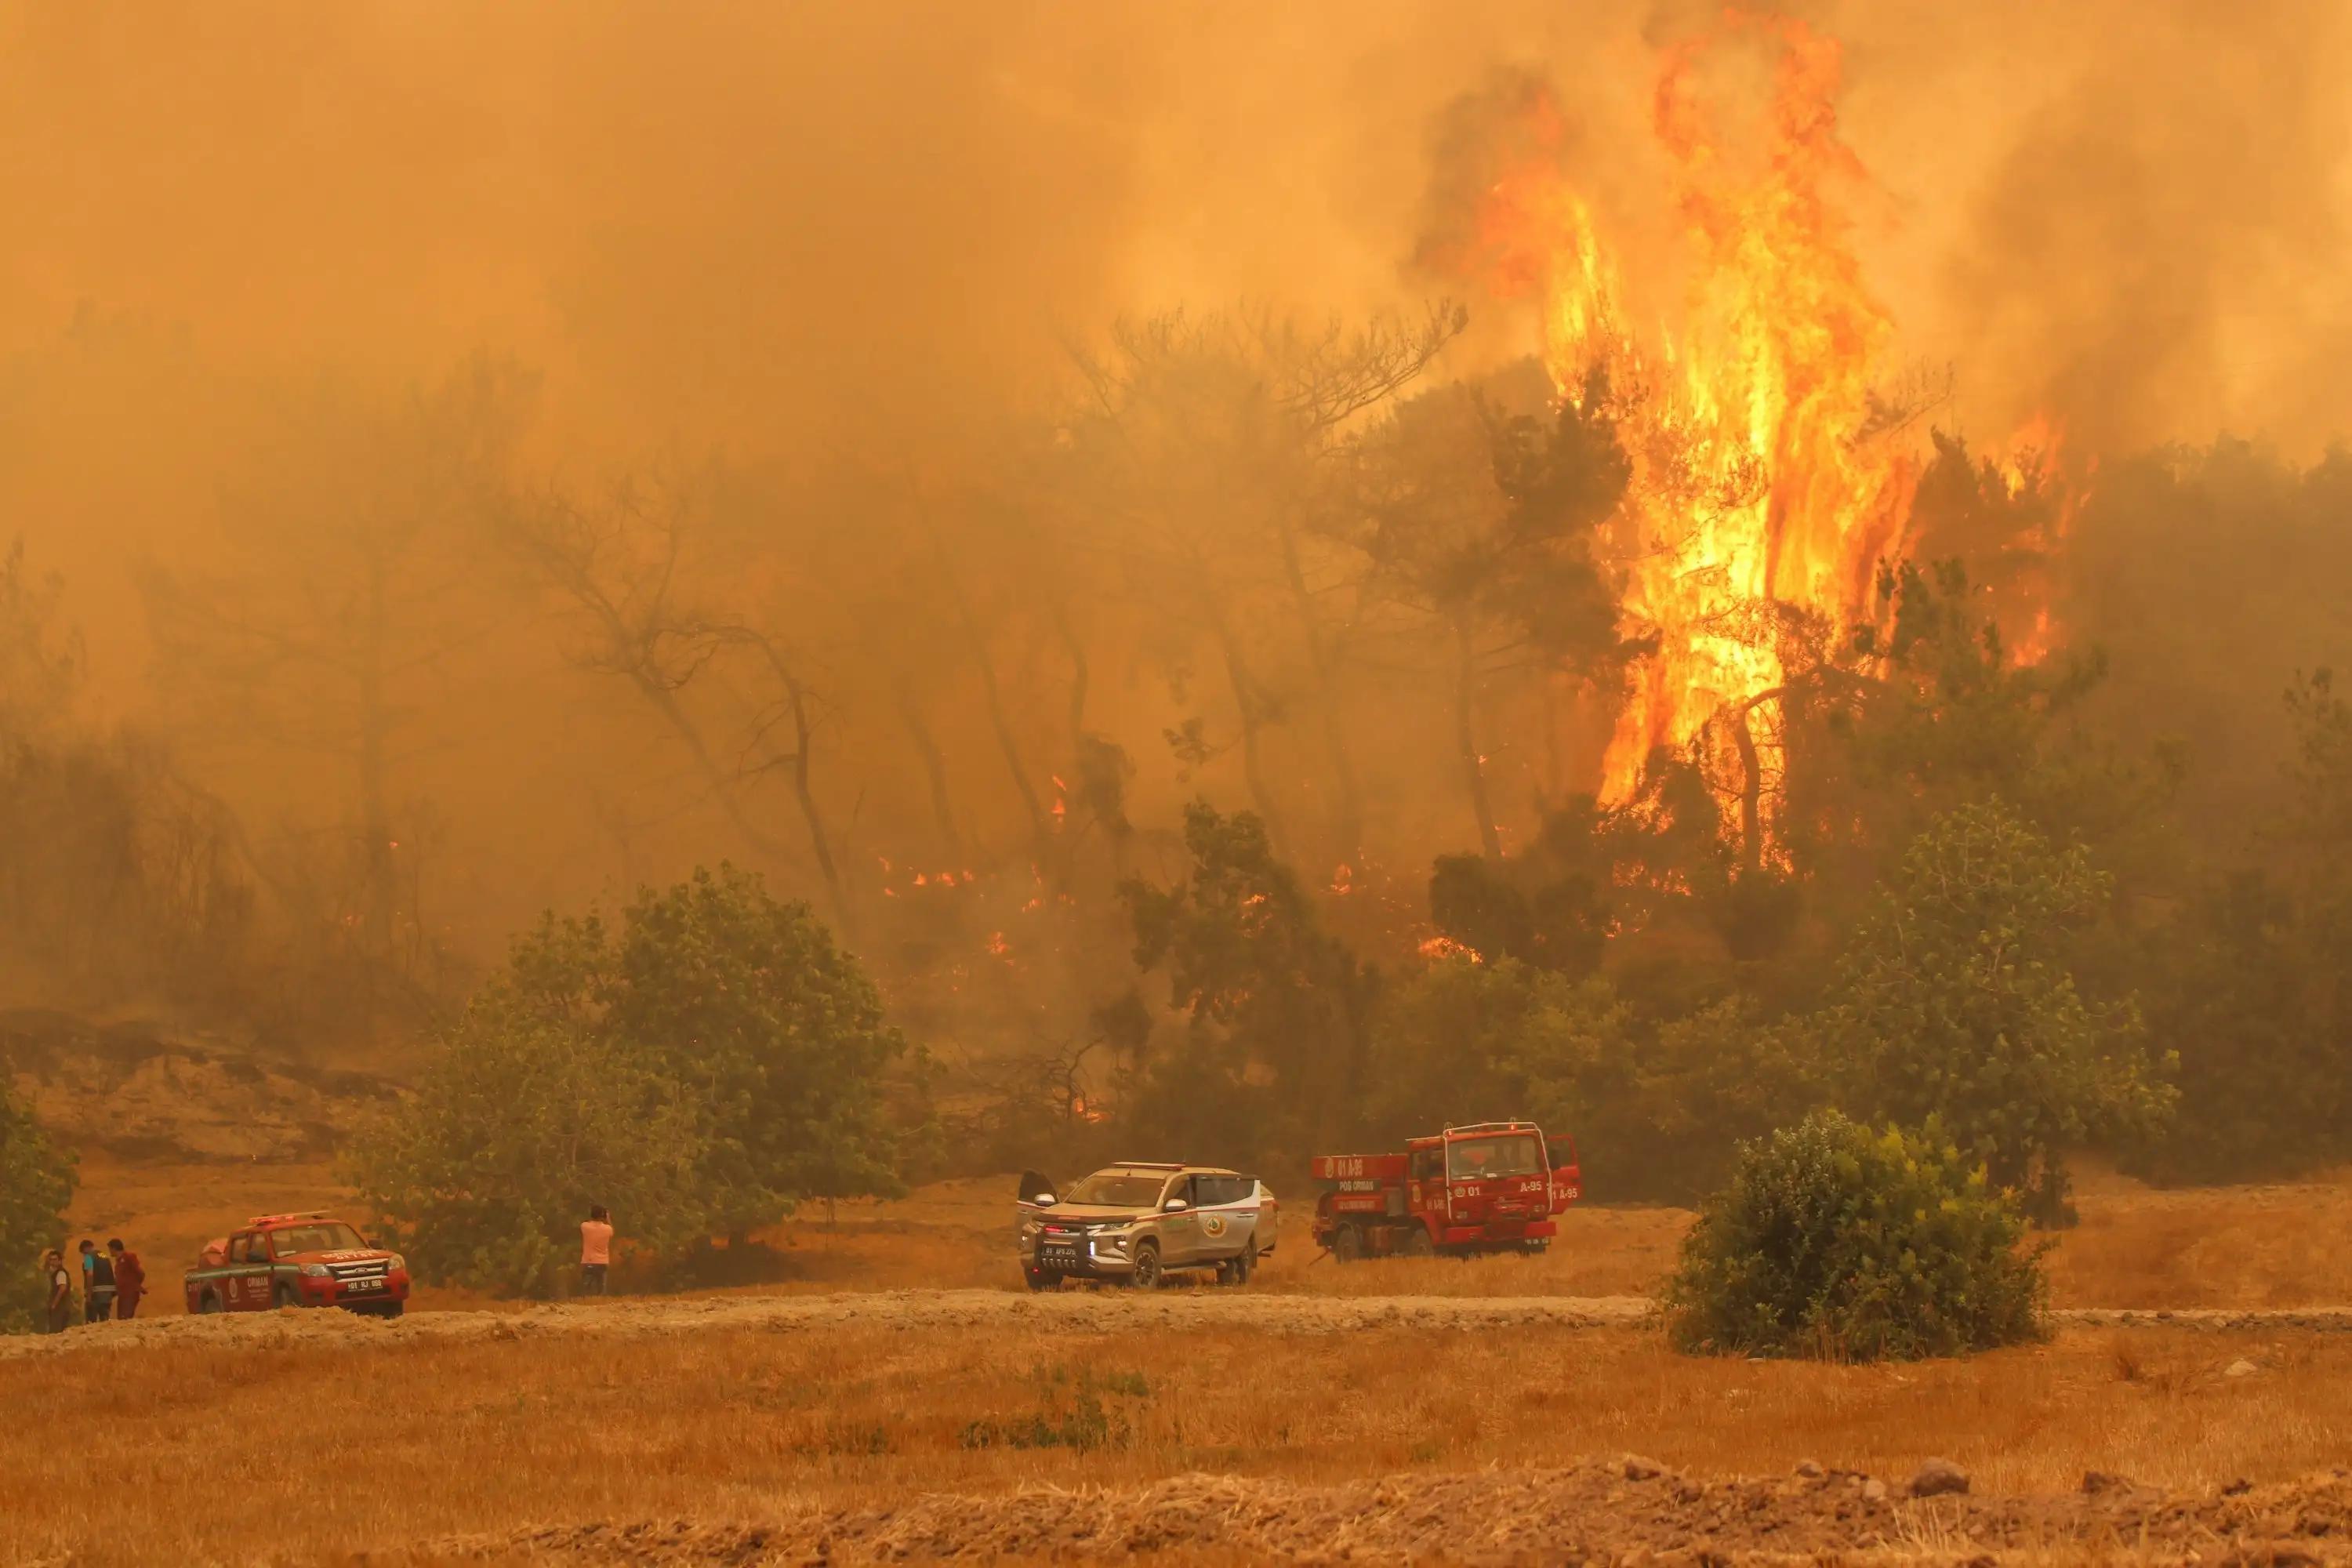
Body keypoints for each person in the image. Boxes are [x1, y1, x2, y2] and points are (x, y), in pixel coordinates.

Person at [579, 1205, 612, 1297]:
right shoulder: (607, 1229)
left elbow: (586, 1223)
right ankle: (600, 1304)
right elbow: (611, 1231)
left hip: (588, 1261)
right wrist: (608, 1218)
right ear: (603, 1215)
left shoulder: (585, 1226)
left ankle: (583, 1303)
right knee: (601, 1289)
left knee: (585, 1287)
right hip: (602, 1262)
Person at [107, 1238, 144, 1319]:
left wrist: (135, 1285)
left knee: (126, 1318)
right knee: (121, 1318)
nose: (109, 1251)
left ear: (114, 1248)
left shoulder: (129, 1257)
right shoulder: (118, 1262)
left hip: (130, 1293)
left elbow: (140, 1272)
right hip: (122, 1294)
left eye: (110, 1249)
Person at [79, 1240, 114, 1323]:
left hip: (96, 1292)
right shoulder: (104, 1256)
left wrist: (89, 1294)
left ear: (85, 1249)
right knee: (105, 1319)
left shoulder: (88, 1257)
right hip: (109, 1292)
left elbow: (90, 1274)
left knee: (91, 1320)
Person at [40, 1250, 71, 1334]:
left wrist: (54, 1304)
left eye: (54, 1260)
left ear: (60, 1261)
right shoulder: (55, 1273)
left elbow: (62, 1288)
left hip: (60, 1308)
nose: (52, 1262)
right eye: (50, 1260)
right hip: (61, 1308)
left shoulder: (60, 1273)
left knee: (56, 1332)